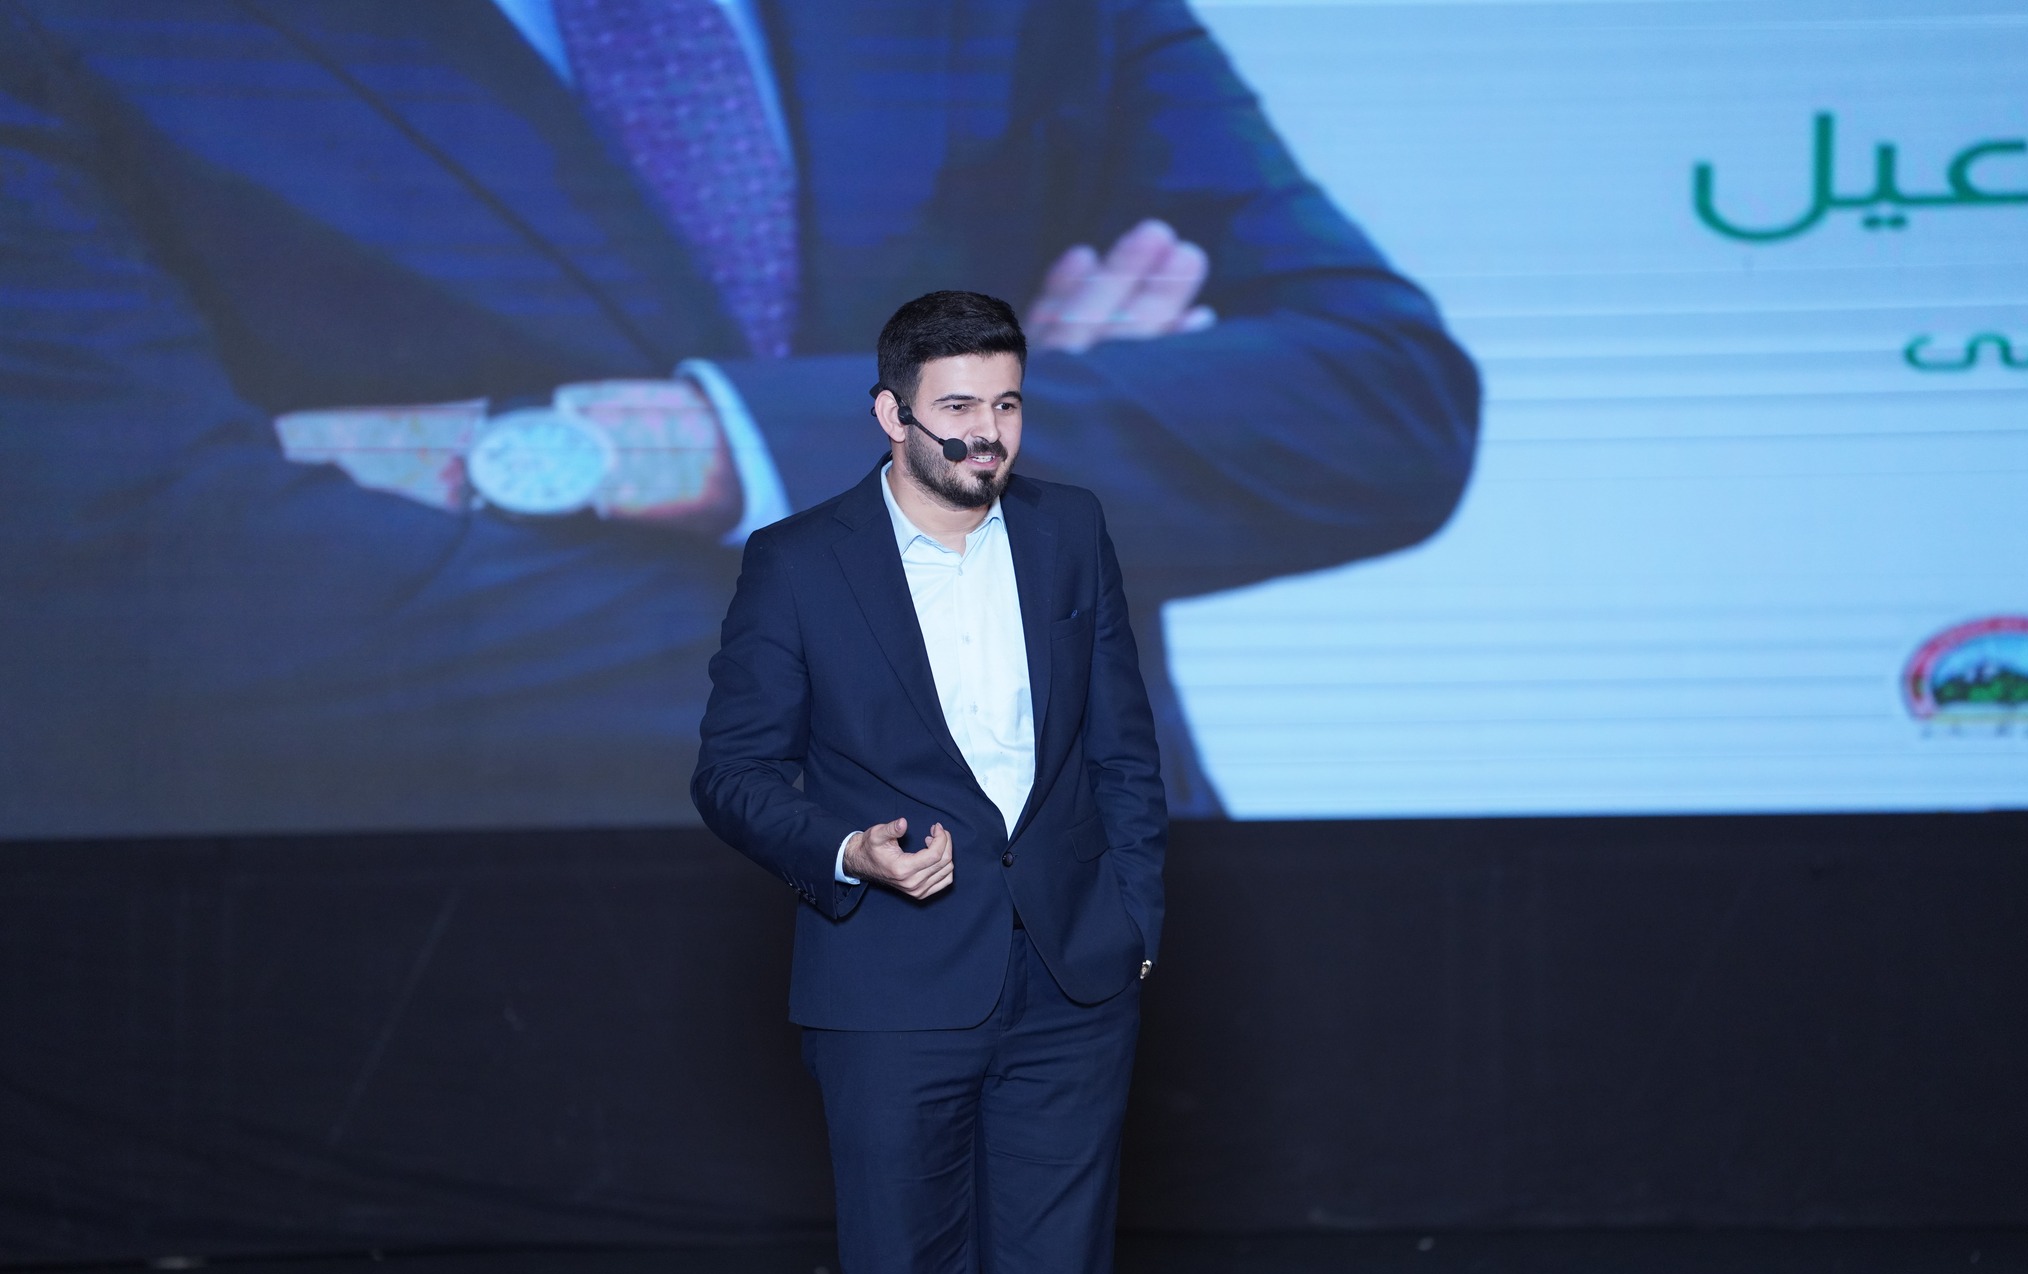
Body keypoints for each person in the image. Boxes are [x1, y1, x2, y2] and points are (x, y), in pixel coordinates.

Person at [0, 0, 1478, 836]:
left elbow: (1377, 404)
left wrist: (681, 445)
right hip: (433, 1019)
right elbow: (138, 586)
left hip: (1082, 1009)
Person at [693, 290, 1166, 1274]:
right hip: (891, 985)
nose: (987, 433)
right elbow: (731, 772)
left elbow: (1123, 750)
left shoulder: (1070, 530)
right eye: (958, 406)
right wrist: (845, 851)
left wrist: (1133, 922)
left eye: (1007, 404)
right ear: (890, 414)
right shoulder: (798, 561)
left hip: (1072, 980)